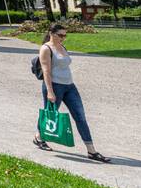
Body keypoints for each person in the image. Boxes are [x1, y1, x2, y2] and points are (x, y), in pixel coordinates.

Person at [33, 22, 110, 162]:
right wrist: (50, 91)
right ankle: (38, 137)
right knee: (50, 114)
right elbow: (46, 71)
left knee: (80, 117)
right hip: (54, 86)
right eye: (60, 35)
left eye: (65, 35)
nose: (63, 38)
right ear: (51, 33)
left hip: (70, 86)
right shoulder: (45, 49)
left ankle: (91, 151)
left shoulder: (62, 46)